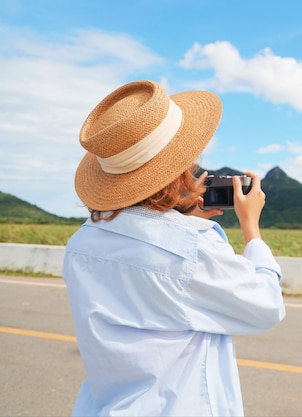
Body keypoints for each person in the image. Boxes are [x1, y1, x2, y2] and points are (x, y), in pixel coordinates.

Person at [62, 80, 285, 416]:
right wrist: (250, 226)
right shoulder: (190, 247)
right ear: (176, 168)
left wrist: (177, 214)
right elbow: (266, 305)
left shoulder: (81, 244)